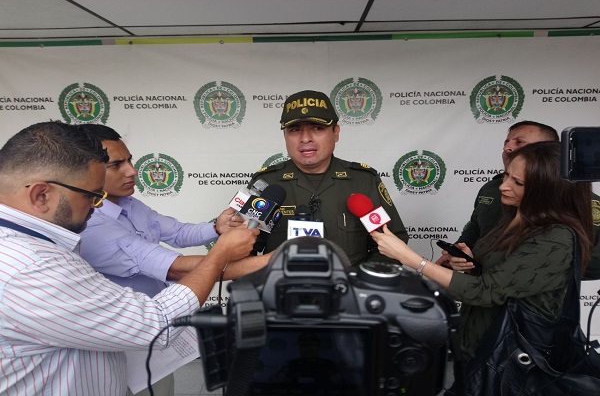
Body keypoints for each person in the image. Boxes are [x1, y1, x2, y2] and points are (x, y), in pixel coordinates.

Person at [0, 121, 259, 396]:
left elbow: (176, 231)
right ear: (41, 195)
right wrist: (228, 254)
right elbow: (155, 321)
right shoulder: (33, 267)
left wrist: (216, 229)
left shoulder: (35, 245)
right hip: (137, 349)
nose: (96, 205)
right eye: (92, 196)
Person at [77, 123, 268, 396]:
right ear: (87, 171)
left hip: (155, 343)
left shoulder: (130, 204)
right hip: (124, 346)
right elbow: (176, 269)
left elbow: (176, 232)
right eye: (116, 165)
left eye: (130, 160)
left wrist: (216, 228)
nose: (132, 171)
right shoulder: (91, 224)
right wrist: (276, 260)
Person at [371, 141, 593, 370]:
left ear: (547, 191)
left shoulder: (555, 238)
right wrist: (472, 265)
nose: (503, 186)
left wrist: (411, 259)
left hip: (510, 365)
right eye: (507, 175)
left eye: (517, 182)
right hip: (477, 352)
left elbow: (485, 292)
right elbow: (502, 281)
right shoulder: (512, 219)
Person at [248, 89, 409, 265]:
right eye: (295, 130)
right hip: (281, 282)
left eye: (317, 128)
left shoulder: (363, 181)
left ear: (336, 132)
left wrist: (359, 279)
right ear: (285, 136)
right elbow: (241, 251)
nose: (305, 138)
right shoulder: (265, 184)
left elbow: (392, 244)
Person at [437, 120, 600, 279]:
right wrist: (459, 253)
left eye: (519, 142)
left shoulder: (579, 201)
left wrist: (543, 272)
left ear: (547, 150)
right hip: (481, 287)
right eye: (506, 142)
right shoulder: (491, 188)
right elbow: (475, 227)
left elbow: (595, 262)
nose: (507, 147)